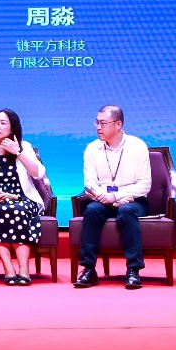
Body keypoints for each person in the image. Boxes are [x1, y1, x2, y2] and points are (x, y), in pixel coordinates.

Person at [74, 105, 154, 290]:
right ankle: (88, 269)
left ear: (118, 124)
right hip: (102, 200)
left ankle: (133, 270)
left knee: (126, 211)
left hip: (133, 200)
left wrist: (117, 196)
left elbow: (145, 184)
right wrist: (103, 196)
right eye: (96, 122)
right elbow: (90, 183)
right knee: (91, 211)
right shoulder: (92, 148)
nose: (98, 127)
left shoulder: (137, 146)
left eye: (103, 123)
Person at [0, 109, 48, 285]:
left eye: (3, 123)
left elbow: (38, 173)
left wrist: (18, 152)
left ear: (12, 128)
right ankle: (9, 268)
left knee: (18, 210)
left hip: (23, 198)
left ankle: (24, 269)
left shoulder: (25, 147)